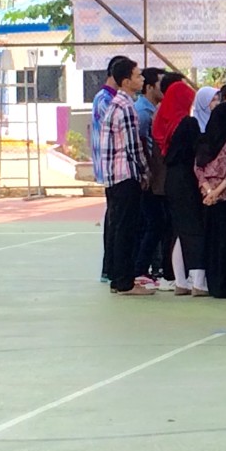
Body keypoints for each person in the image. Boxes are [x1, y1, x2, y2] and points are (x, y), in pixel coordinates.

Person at [99, 58, 153, 296]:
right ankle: (124, 282)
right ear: (126, 80)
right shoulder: (126, 107)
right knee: (126, 229)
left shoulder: (115, 104)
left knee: (119, 227)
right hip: (125, 176)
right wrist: (145, 171)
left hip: (113, 176)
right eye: (138, 76)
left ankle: (120, 278)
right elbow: (133, 146)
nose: (141, 79)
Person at [153, 81, 208, 296]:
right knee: (196, 229)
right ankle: (198, 282)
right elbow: (197, 151)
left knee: (179, 231)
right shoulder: (189, 123)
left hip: (171, 179)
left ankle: (181, 281)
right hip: (187, 179)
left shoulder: (166, 122)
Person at [195, 100, 226, 298]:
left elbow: (198, 168)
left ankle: (213, 284)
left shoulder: (205, 140)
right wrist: (219, 191)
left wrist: (208, 191)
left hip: (208, 199)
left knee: (211, 241)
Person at [92, 54, 128, 282]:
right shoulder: (105, 100)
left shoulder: (115, 99)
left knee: (115, 216)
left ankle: (112, 266)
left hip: (114, 167)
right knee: (115, 218)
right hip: (111, 167)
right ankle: (110, 267)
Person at [133, 67, 168, 282]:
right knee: (153, 223)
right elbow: (142, 148)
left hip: (152, 178)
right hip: (147, 179)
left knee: (154, 223)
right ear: (149, 87)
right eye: (160, 84)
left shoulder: (152, 111)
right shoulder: (144, 114)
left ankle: (145, 268)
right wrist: (146, 175)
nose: (163, 89)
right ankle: (140, 269)